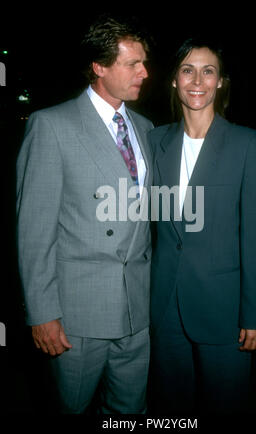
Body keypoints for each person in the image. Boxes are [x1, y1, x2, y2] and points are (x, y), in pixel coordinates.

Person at [16, 13, 153, 414]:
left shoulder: (145, 128)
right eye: (133, 63)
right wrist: (42, 314)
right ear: (100, 67)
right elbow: (34, 231)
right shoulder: (51, 125)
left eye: (144, 62)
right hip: (77, 315)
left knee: (130, 413)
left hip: (137, 312)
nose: (144, 72)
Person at [148, 37, 256, 415]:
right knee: (172, 409)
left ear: (220, 81)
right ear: (174, 80)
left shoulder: (247, 143)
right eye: (187, 70)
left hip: (224, 310)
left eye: (208, 70)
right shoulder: (156, 141)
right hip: (165, 308)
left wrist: (255, 315)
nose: (197, 80)